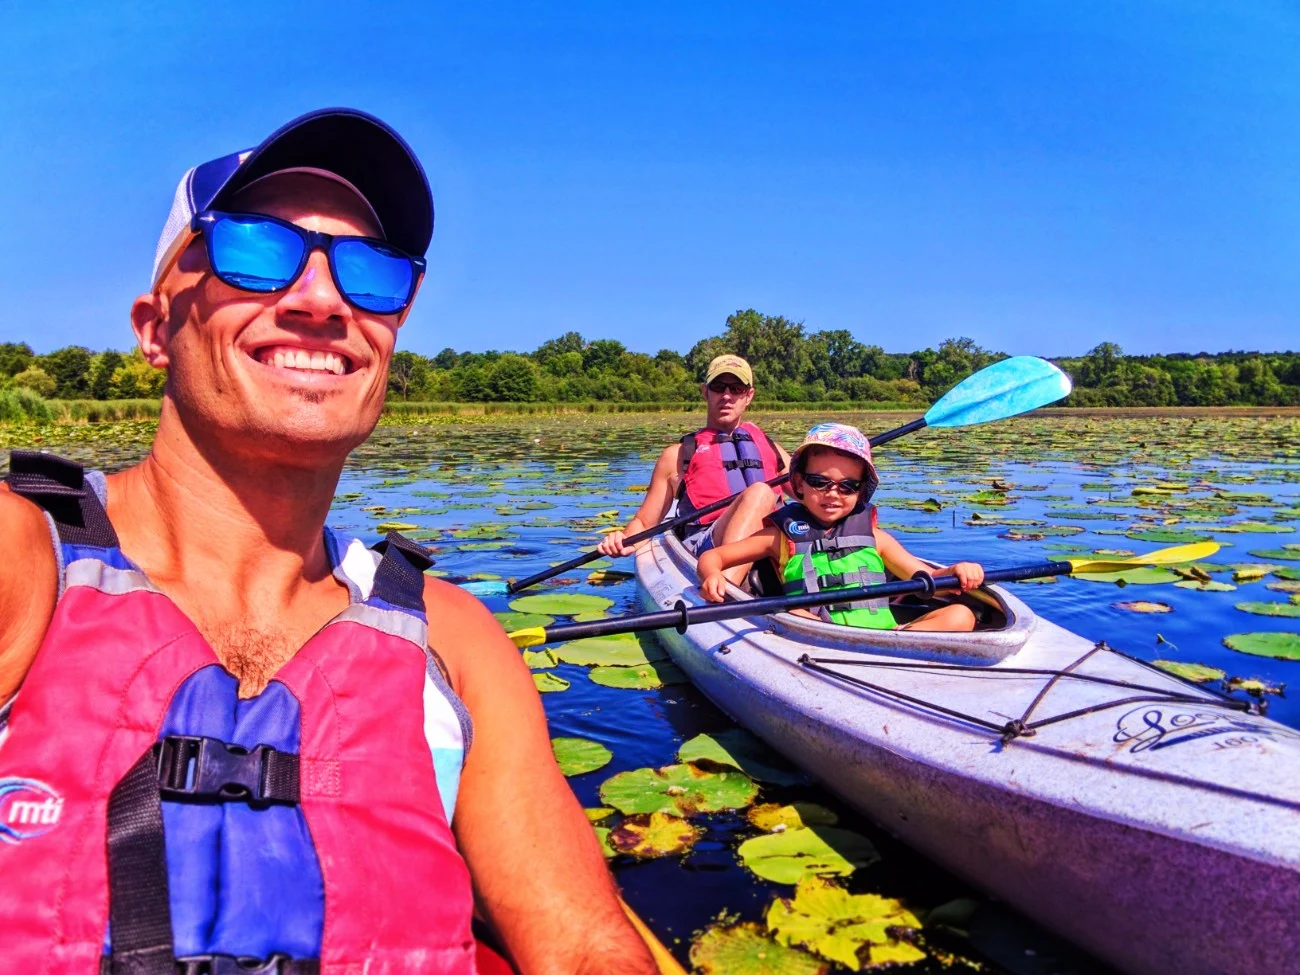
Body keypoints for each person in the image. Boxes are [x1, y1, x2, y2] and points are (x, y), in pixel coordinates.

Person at [0, 108, 655, 975]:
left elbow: (578, 946)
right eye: (256, 249)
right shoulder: (24, 554)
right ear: (156, 328)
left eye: (371, 271)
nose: (321, 300)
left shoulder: (455, 641)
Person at [697, 422, 985, 631]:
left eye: (847, 486)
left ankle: (893, 646)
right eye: (819, 482)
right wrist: (712, 575)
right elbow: (714, 557)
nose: (832, 494)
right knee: (793, 610)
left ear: (860, 492)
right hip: (819, 634)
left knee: (961, 615)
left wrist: (955, 571)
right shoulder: (779, 537)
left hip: (887, 637)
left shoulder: (875, 537)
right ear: (798, 484)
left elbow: (928, 580)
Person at [597, 354, 791, 586]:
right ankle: (725, 595)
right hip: (709, 542)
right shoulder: (678, 455)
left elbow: (811, 494)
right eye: (718, 387)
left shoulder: (771, 448)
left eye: (736, 388)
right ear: (705, 392)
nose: (727, 396)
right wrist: (622, 541)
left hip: (769, 540)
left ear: (748, 396)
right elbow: (646, 523)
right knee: (760, 492)